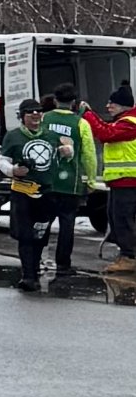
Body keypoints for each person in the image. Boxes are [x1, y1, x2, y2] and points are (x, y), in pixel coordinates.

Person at [34, 83, 98, 280]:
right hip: (70, 183)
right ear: (73, 102)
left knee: (43, 222)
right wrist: (91, 180)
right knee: (67, 224)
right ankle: (63, 264)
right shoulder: (81, 124)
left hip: (47, 181)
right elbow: (89, 154)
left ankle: (34, 260)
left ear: (54, 100)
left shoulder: (44, 119)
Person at [0, 98, 56, 291]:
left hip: (45, 192)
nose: (36, 116)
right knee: (25, 235)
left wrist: (67, 151)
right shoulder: (13, 137)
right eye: (31, 113)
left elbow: (62, 155)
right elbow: (1, 160)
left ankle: (35, 268)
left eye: (39, 112)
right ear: (22, 117)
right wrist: (13, 170)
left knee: (40, 234)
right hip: (22, 192)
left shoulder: (50, 135)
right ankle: (28, 275)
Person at [81, 81, 136, 275]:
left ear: (122, 105)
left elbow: (105, 133)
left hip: (128, 181)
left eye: (111, 103)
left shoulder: (129, 124)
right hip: (121, 181)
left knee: (123, 219)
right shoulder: (124, 122)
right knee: (116, 218)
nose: (108, 106)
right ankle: (126, 254)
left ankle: (129, 257)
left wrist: (88, 115)